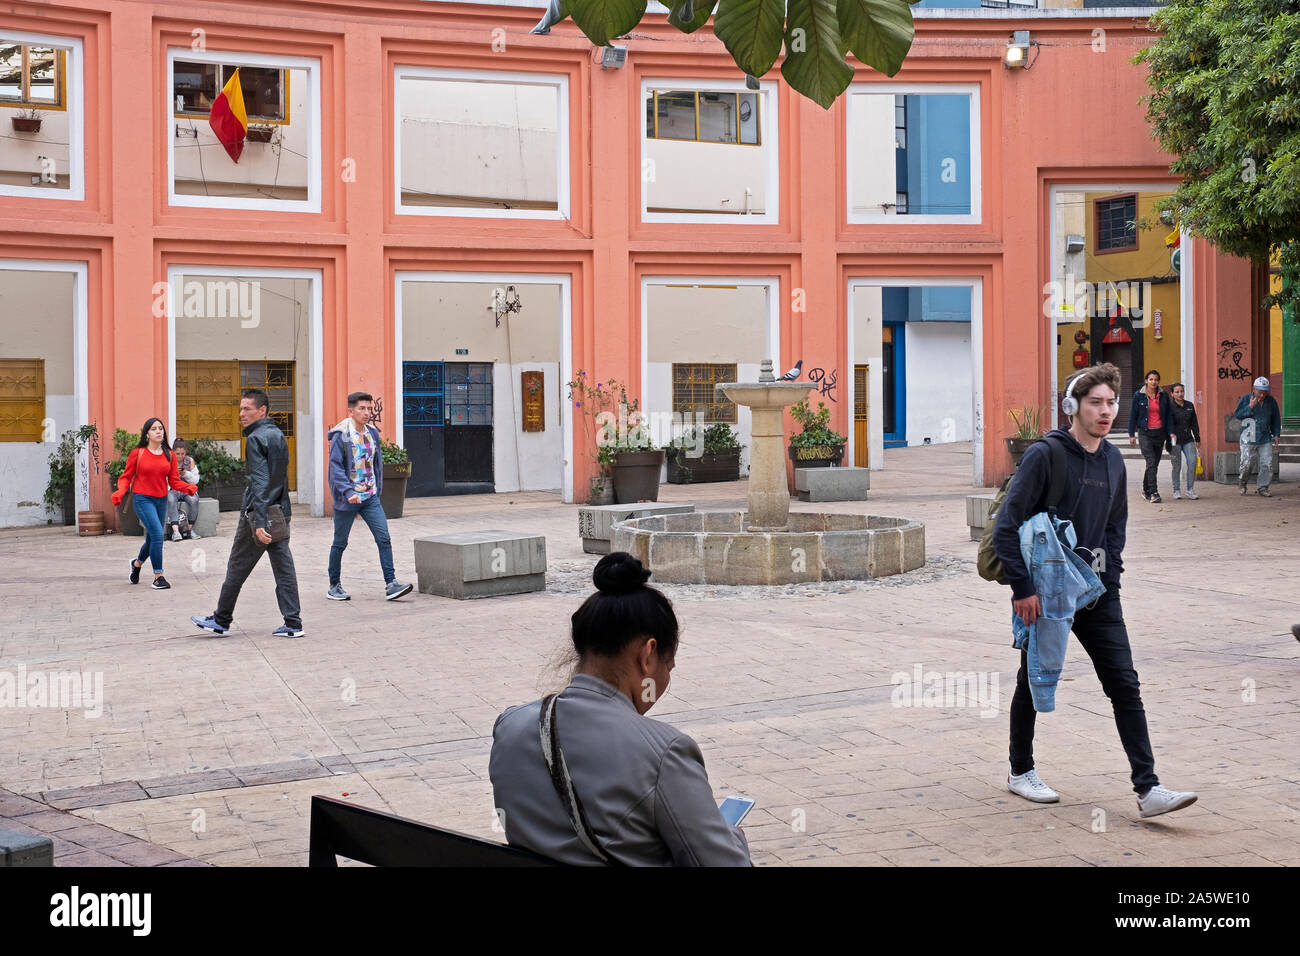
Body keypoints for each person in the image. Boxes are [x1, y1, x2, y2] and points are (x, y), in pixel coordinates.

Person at [993, 363, 1197, 818]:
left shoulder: (1111, 459)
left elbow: (1114, 527)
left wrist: (1113, 580)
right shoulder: (1045, 455)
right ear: (1073, 407)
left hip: (1099, 591)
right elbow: (1007, 526)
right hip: (1047, 591)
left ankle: (1148, 789)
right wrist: (1022, 589)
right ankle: (1019, 770)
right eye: (1096, 403)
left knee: (1124, 683)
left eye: (1111, 403)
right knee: (1035, 678)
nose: (1106, 412)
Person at [489, 552, 752, 866]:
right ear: (648, 655)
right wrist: (731, 838)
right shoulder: (664, 753)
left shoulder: (510, 728)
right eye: (668, 665)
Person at [192, 389, 303, 638]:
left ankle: (221, 619)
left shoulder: (255, 439)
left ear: (261, 410)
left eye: (247, 409)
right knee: (284, 568)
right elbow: (279, 481)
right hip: (281, 512)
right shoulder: (277, 435)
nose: (241, 414)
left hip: (259, 514)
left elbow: (261, 482)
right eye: (240, 408)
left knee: (237, 566)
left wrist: (260, 521)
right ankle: (293, 623)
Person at [325, 392, 412, 602]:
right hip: (348, 499)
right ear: (351, 411)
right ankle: (334, 585)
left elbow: (375, 463)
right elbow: (335, 467)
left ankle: (391, 584)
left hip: (370, 497)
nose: (367, 413)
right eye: (362, 409)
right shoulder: (341, 435)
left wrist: (376, 488)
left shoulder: (372, 433)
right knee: (340, 542)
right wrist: (348, 492)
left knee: (384, 538)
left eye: (369, 409)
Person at [112, 418, 198, 591]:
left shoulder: (169, 454)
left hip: (161, 499)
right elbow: (126, 477)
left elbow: (173, 481)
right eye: (154, 429)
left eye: (161, 429)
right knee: (159, 535)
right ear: (147, 434)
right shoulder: (138, 453)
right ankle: (159, 577)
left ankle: (136, 565)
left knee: (152, 537)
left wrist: (188, 487)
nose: (159, 432)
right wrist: (120, 491)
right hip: (142, 499)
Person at [1127, 369, 1171, 503]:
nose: (1153, 382)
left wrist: (1170, 432)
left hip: (1159, 433)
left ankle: (1146, 490)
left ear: (1159, 381)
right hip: (1145, 433)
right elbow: (1133, 415)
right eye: (1151, 379)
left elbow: (1168, 415)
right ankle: (1154, 492)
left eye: (1156, 380)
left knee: (1153, 464)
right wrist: (1131, 434)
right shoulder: (1138, 396)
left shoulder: (1163, 396)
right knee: (1151, 461)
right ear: (1146, 381)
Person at [1234, 376, 1281, 497]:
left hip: (1265, 437)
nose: (1262, 395)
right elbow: (1238, 415)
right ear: (1253, 389)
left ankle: (1263, 487)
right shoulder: (1245, 399)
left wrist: (1276, 434)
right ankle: (1243, 482)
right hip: (1248, 437)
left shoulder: (1271, 401)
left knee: (1267, 464)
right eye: (1260, 392)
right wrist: (1250, 406)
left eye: (1265, 392)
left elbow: (1276, 419)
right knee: (1247, 463)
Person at [1166, 383, 1201, 500]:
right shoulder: (1169, 407)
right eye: (1177, 392)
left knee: (1192, 462)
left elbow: (1194, 424)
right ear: (1172, 394)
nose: (1180, 394)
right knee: (1176, 465)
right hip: (1174, 441)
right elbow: (1167, 424)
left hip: (1188, 439)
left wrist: (1197, 438)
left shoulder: (1189, 405)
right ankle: (1176, 490)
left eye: (1182, 391)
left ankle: (1190, 489)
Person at [166, 438, 202, 540]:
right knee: (171, 499)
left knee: (194, 500)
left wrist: (185, 473)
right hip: (172, 490)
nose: (180, 456)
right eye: (177, 454)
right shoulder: (168, 460)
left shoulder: (189, 461)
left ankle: (189, 529)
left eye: (182, 453)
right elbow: (163, 479)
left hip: (186, 489)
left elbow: (196, 480)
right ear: (173, 452)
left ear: (185, 452)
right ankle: (176, 532)